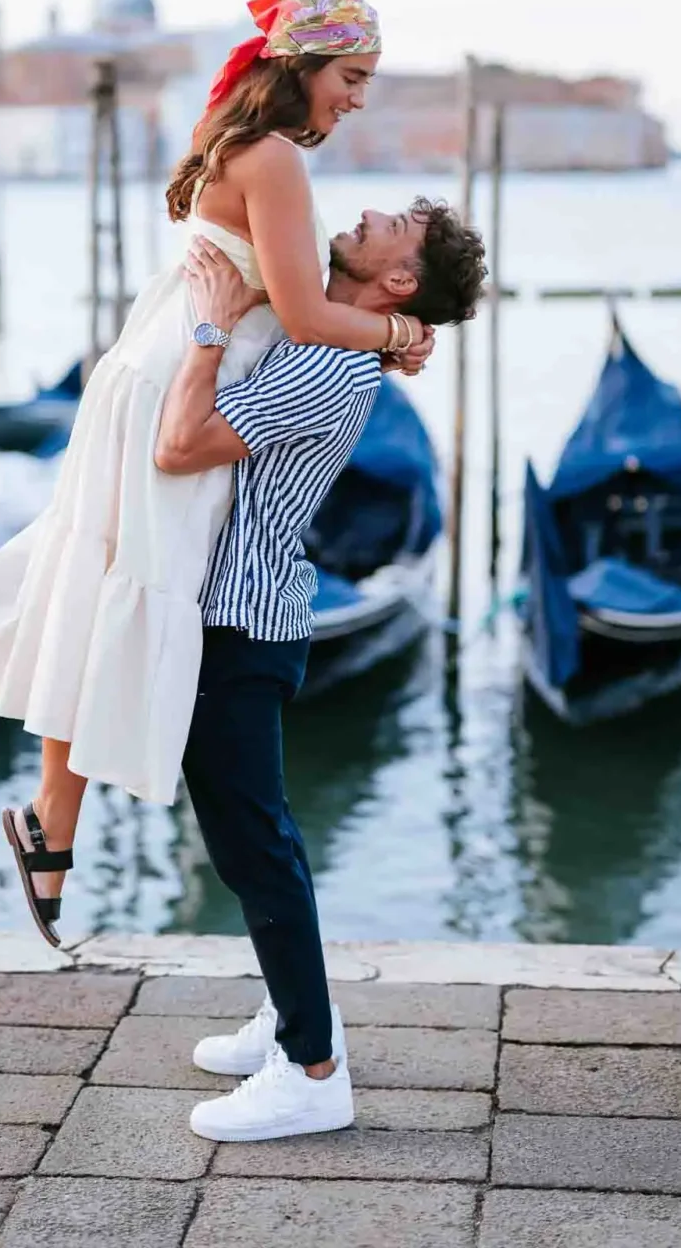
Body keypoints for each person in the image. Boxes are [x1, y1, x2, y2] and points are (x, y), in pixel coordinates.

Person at [0, 0, 457, 944]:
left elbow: (295, 307)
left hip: (151, 367)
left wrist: (385, 329)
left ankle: (45, 815)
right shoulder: (274, 161)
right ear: (304, 63)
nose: (357, 97)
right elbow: (306, 317)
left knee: (102, 585)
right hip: (179, 378)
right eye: (350, 76)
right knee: (130, 593)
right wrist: (396, 327)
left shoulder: (237, 141)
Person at [156, 218, 484, 1142]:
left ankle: (311, 1069)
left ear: (399, 282)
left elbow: (181, 446)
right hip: (253, 610)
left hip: (242, 618)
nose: (369, 217)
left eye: (397, 229)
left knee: (253, 842)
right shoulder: (333, 339)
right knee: (257, 838)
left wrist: (213, 330)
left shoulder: (326, 365)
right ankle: (293, 1011)